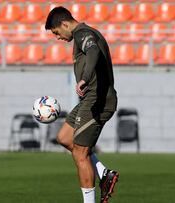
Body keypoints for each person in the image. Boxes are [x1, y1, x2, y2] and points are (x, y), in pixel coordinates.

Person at [45, 7, 119, 203]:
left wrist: (84, 78)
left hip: (98, 100)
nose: (58, 37)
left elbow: (92, 50)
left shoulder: (82, 33)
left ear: (64, 24)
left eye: (56, 32)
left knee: (80, 152)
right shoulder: (85, 33)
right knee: (64, 137)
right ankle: (103, 173)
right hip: (89, 100)